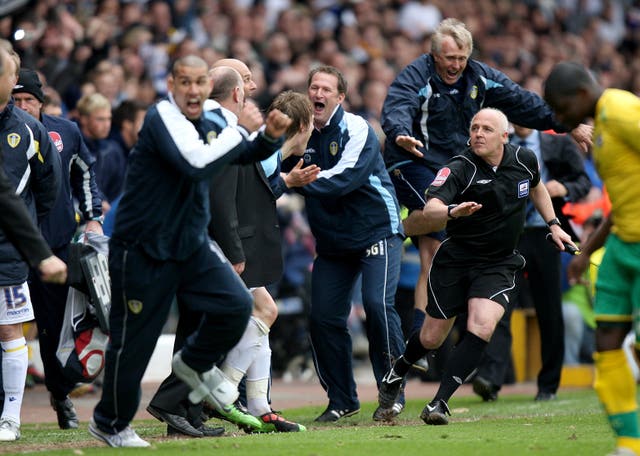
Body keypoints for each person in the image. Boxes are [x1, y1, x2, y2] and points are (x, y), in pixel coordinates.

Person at [88, 55, 291, 448]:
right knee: (135, 341)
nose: (194, 90)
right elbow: (196, 163)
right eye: (186, 82)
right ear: (171, 85)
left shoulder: (213, 120)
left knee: (235, 304)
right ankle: (110, 422)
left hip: (189, 243)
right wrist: (244, 131)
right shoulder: (161, 117)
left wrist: (269, 137)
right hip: (144, 245)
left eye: (200, 82)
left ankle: (192, 364)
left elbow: (242, 155)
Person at [381, 18, 592, 345]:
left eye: (462, 58)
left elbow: (523, 101)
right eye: (450, 58)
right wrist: (400, 133)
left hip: (454, 166)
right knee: (435, 229)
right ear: (435, 55)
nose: (456, 65)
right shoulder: (416, 75)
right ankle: (393, 231)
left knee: (435, 254)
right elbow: (399, 104)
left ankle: (419, 337)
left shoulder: (480, 76)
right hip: (413, 159)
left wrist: (567, 123)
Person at [377, 108, 577, 426]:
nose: (478, 134)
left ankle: (439, 403)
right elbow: (432, 206)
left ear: (504, 136)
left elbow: (537, 186)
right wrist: (453, 211)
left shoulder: (525, 159)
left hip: (498, 262)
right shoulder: (460, 167)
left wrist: (553, 224)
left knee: (482, 325)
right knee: (431, 338)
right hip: (455, 261)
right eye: (474, 128)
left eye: (486, 129)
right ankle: (398, 369)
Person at [147, 62, 315, 437]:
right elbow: (225, 198)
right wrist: (234, 248)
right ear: (235, 90)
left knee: (201, 326)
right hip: (210, 241)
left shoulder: (224, 129)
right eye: (247, 80)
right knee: (231, 318)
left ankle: (195, 411)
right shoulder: (221, 130)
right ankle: (197, 398)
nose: (255, 87)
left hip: (207, 240)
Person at [281, 65, 406, 423]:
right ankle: (341, 399)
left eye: (326, 89)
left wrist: (294, 181)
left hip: (376, 229)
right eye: (313, 87)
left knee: (376, 304)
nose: (318, 94)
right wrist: (289, 163)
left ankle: (393, 389)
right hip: (334, 241)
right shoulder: (299, 134)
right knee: (322, 316)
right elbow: (272, 168)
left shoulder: (357, 128)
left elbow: (344, 179)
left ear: (340, 96)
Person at [544, 61, 640, 456]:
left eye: (560, 108)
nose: (558, 117)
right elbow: (622, 198)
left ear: (581, 95)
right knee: (607, 342)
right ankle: (629, 444)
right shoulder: (598, 126)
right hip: (621, 245)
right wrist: (590, 251)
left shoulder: (619, 110)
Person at [472, 123, 592, 402]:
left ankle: (548, 384)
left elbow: (582, 181)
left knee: (549, 308)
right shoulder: (498, 145)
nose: (521, 120)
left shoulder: (558, 144)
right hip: (508, 235)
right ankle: (491, 378)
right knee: (497, 303)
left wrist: (561, 187)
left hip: (546, 234)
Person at [12, 68, 104, 430]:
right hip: (13, 246)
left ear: (41, 102)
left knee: (53, 327)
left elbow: (85, 174)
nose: (21, 106)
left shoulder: (66, 131)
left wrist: (93, 217)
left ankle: (60, 394)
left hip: (56, 245)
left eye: (28, 101)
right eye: (15, 100)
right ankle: (9, 407)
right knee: (10, 326)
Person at [0, 47, 62, 441]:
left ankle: (10, 416)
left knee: (10, 331)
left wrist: (27, 238)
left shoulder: (28, 129)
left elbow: (48, 187)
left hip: (7, 251)